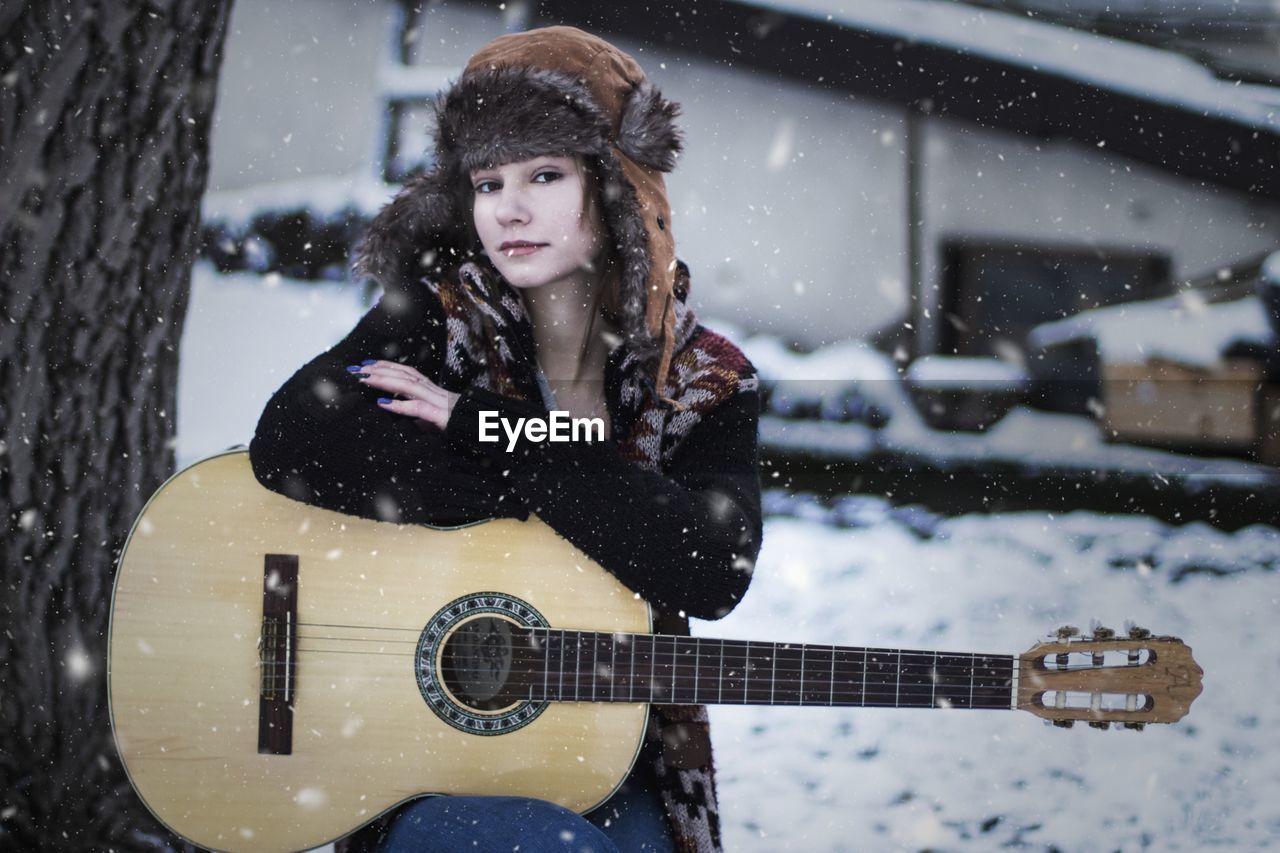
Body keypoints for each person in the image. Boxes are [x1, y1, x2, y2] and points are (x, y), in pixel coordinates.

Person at [250, 25, 762, 853]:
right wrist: (556, 506)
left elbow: (711, 566)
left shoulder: (707, 376)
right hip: (417, 739)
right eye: (487, 182)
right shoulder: (433, 320)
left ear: (621, 186)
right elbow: (292, 445)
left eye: (545, 175)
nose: (509, 209)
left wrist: (485, 425)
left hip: (615, 746)